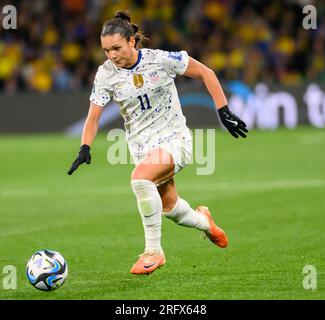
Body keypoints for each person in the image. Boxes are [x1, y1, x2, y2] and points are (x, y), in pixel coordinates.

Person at [68, 11, 248, 275]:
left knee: (140, 179)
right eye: (106, 50)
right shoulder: (105, 74)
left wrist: (223, 110)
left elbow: (206, 73)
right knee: (171, 208)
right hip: (142, 148)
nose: (112, 55)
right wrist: (85, 147)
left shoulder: (161, 60)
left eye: (116, 48)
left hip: (176, 141)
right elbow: (93, 116)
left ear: (132, 41)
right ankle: (206, 223)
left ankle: (154, 251)